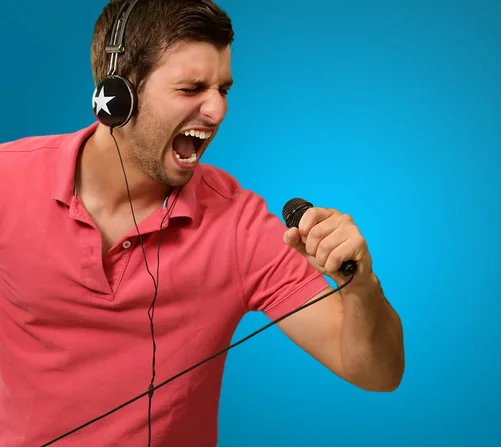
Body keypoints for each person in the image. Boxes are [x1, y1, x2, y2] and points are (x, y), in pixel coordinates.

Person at [0, 0, 405, 445]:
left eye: (223, 90)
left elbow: (376, 372)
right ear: (118, 95)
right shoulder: (8, 181)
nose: (216, 111)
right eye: (192, 88)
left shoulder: (241, 226)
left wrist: (362, 284)